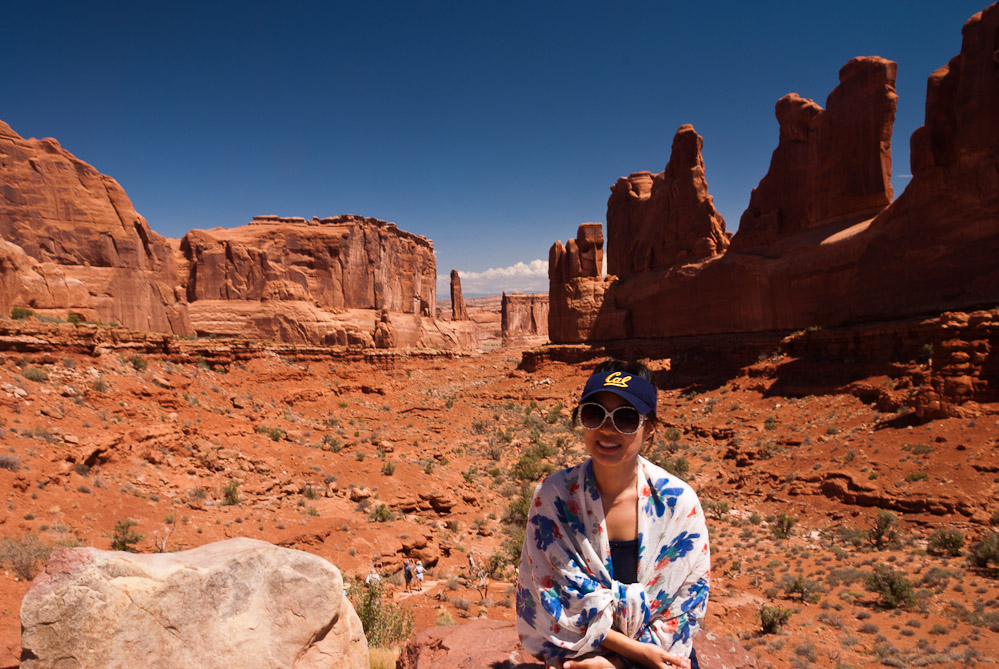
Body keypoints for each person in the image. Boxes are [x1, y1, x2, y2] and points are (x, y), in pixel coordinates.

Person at [516, 360, 709, 669]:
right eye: (594, 414)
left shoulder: (678, 505)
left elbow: (685, 606)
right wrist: (622, 654)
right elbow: (553, 597)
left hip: (658, 657)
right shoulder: (554, 497)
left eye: (626, 418)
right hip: (580, 653)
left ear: (650, 429)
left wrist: (618, 665)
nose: (608, 429)